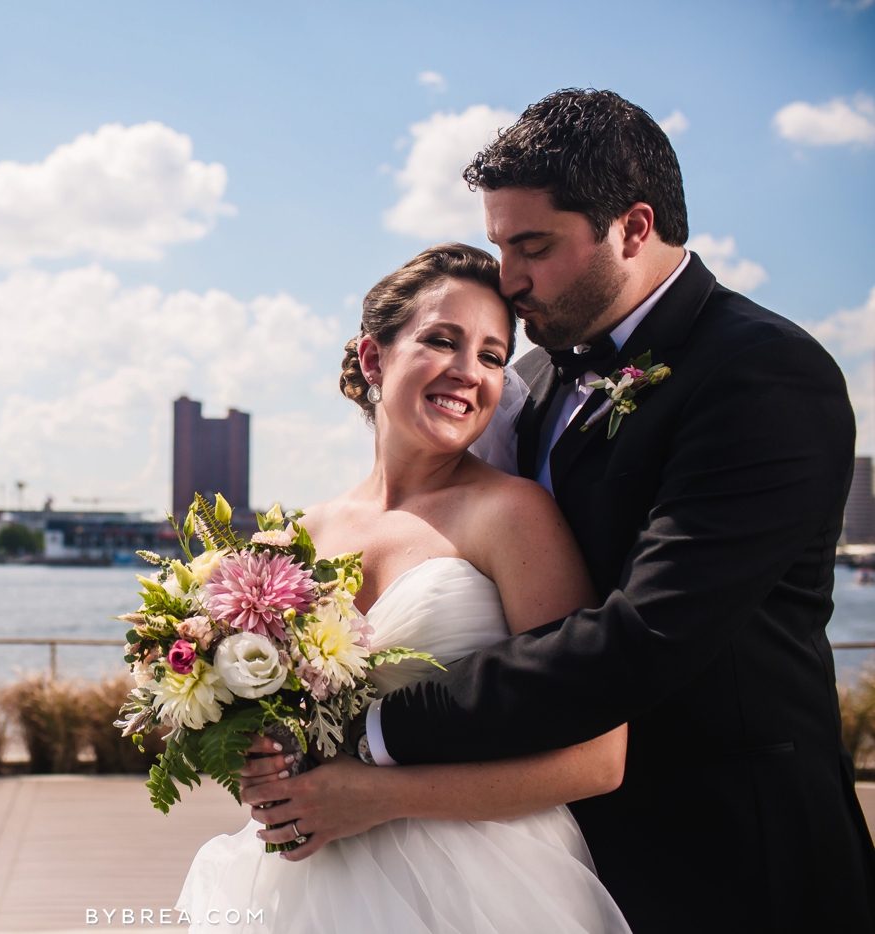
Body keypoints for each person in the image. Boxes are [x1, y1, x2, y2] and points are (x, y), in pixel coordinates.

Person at [238, 89, 875, 933]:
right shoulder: (533, 382)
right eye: (502, 246)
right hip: (536, 860)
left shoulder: (762, 374)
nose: (509, 279)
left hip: (728, 854)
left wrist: (370, 726)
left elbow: (645, 636)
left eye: (533, 247)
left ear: (633, 228)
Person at [178, 242, 633, 932]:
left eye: (490, 355)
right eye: (441, 341)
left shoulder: (513, 517)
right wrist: (263, 765)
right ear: (373, 358)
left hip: (482, 887)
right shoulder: (297, 538)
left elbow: (598, 759)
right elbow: (274, 729)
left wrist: (379, 798)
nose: (468, 372)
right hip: (305, 886)